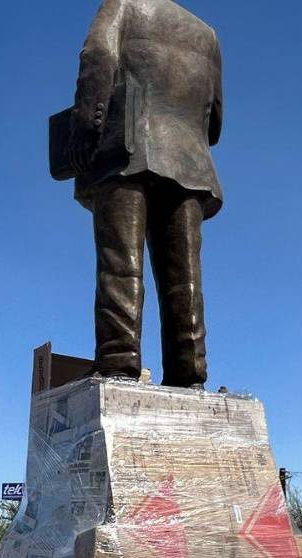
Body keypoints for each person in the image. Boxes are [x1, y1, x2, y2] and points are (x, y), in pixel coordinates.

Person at [66, 0, 223, 387]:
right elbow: (215, 121)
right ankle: (189, 372)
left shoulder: (122, 4)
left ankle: (118, 361)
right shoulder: (206, 34)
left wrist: (85, 128)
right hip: (189, 161)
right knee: (184, 278)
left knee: (120, 262)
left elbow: (97, 55)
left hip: (127, 148)